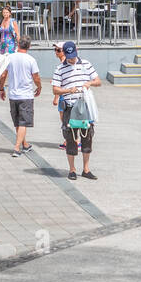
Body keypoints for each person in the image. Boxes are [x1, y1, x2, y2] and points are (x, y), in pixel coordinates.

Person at [51, 40, 100, 180]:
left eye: (74, 55)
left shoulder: (86, 64)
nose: (72, 59)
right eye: (69, 56)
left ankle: (86, 168)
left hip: (84, 106)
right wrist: (68, 90)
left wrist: (89, 83)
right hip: (70, 106)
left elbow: (98, 81)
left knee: (87, 135)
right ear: (64, 53)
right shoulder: (60, 69)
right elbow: (55, 89)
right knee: (70, 137)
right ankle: (72, 169)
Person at [0, 37, 41, 157]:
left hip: (13, 95)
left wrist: (1, 89)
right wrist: (39, 87)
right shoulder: (31, 60)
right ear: (29, 46)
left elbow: (3, 75)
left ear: (17, 44)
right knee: (23, 123)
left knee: (18, 121)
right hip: (26, 95)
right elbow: (36, 77)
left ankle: (25, 144)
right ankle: (17, 148)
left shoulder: (10, 58)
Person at [50, 41, 67, 148]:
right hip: (64, 94)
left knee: (64, 119)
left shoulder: (63, 65)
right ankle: (68, 140)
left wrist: (56, 97)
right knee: (65, 119)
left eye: (58, 50)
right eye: (55, 49)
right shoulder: (64, 63)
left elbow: (59, 83)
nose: (56, 52)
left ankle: (73, 140)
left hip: (63, 95)